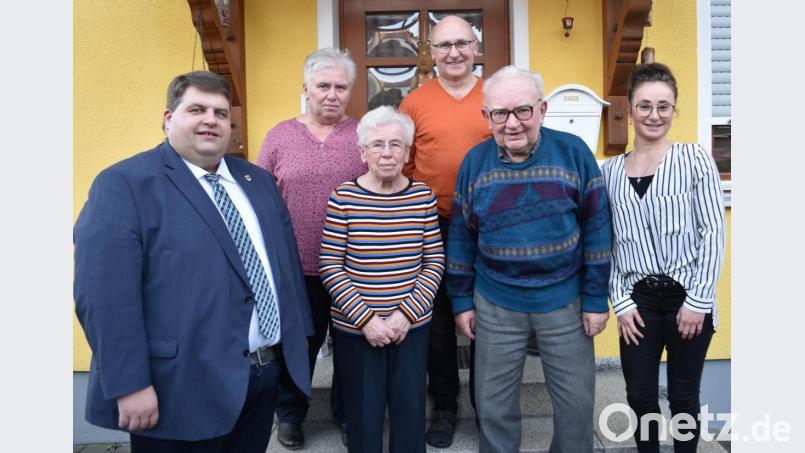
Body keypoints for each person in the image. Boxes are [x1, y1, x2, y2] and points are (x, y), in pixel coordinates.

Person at [74, 71, 313, 453]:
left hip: (260, 378)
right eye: (197, 109)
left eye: (221, 113)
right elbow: (104, 297)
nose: (210, 120)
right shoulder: (125, 184)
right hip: (177, 388)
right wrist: (129, 384)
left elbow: (284, 268)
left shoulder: (259, 181)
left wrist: (294, 350)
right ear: (169, 118)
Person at [446, 65, 613, 453]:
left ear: (542, 109)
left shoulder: (573, 153)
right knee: (493, 406)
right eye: (500, 113)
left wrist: (594, 299)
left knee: (576, 406)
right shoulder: (475, 163)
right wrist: (461, 301)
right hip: (495, 301)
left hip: (565, 301)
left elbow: (597, 228)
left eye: (522, 110)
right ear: (486, 116)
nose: (512, 123)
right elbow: (461, 237)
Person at [601, 63, 726, 452]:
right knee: (640, 396)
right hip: (637, 302)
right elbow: (606, 244)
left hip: (687, 296)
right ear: (630, 109)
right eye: (645, 106)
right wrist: (620, 303)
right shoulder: (609, 172)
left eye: (663, 106)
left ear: (674, 109)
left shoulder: (694, 159)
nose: (654, 115)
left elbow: (713, 233)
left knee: (684, 398)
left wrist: (698, 302)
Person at [319, 106, 445, 453]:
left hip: (411, 327)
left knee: (410, 412)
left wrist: (405, 315)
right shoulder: (344, 197)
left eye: (395, 144)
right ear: (362, 153)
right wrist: (367, 320)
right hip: (356, 330)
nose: (387, 153)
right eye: (377, 144)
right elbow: (330, 264)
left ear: (407, 152)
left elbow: (434, 261)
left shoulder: (422, 197)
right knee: (363, 417)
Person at [256, 47, 363, 450]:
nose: (332, 94)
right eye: (323, 86)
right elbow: (260, 198)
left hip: (356, 265)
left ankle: (349, 414)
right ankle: (290, 414)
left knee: (353, 348)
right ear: (305, 88)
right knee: (299, 345)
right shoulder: (280, 136)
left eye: (341, 87)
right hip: (297, 266)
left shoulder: (364, 135)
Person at [397, 15, 491, 447]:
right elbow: (404, 166)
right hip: (431, 224)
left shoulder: (495, 96)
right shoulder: (414, 103)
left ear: (475, 47)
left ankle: (487, 405)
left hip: (488, 226)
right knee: (436, 323)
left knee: (488, 316)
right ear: (431, 53)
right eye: (444, 46)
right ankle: (445, 406)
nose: (453, 53)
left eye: (462, 43)